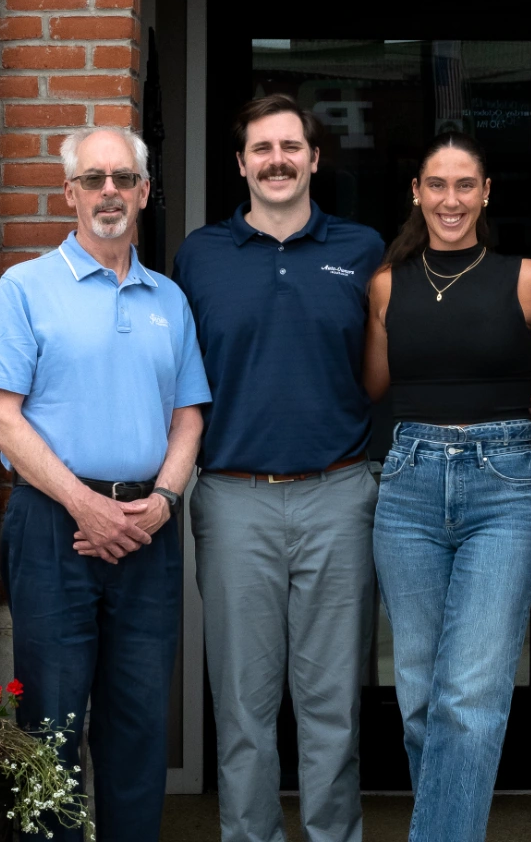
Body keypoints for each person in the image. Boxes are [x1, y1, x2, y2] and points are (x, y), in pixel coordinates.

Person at [0, 127, 211, 842]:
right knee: (50, 719)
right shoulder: (26, 288)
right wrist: (86, 504)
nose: (108, 191)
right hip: (55, 528)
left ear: (143, 191)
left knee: (139, 723)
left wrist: (162, 503)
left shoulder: (168, 299)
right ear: (68, 193)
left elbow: (189, 416)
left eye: (122, 177)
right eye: (92, 179)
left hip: (147, 527)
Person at [172, 94, 385, 842]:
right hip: (234, 498)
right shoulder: (200, 256)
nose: (277, 161)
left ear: (315, 159)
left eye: (290, 147)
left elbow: (384, 370)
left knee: (331, 702)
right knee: (243, 703)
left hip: (339, 491)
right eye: (261, 149)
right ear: (241, 164)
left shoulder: (363, 249)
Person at [362, 131, 531, 842]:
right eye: (436, 185)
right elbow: (374, 388)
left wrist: (498, 446)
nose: (451, 199)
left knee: (470, 696)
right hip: (409, 483)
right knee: (419, 699)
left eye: (464, 185)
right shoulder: (387, 285)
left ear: (485, 193)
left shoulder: (526, 278)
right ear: (416, 192)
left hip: (502, 490)